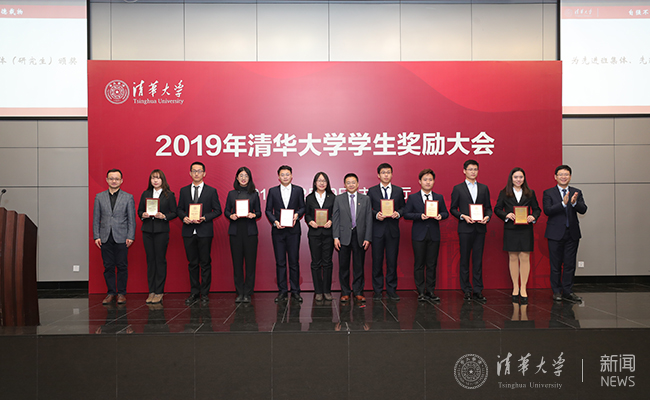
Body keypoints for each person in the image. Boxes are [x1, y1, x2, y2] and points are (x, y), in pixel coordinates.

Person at [176, 161, 222, 305]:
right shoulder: (184, 190)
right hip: (189, 231)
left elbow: (218, 210)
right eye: (194, 171)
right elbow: (179, 209)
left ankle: (205, 293)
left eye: (199, 171)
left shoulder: (211, 191)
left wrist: (205, 218)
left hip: (204, 231)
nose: (196, 173)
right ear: (190, 173)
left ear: (204, 173)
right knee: (192, 263)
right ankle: (194, 293)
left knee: (205, 263)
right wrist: (184, 217)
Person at [494, 167, 541, 305]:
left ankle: (524, 288)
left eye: (521, 177)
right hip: (511, 229)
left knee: (525, 257)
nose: (518, 179)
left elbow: (537, 209)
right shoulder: (504, 193)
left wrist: (533, 216)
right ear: (511, 178)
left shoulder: (530, 193)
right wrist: (506, 215)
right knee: (513, 257)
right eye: (515, 177)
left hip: (526, 229)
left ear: (524, 178)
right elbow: (497, 209)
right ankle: (515, 287)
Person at [543, 165, 587, 303]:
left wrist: (574, 203)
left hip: (572, 234)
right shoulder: (548, 193)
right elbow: (547, 210)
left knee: (570, 264)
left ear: (570, 177)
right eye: (561, 174)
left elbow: (583, 209)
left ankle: (568, 291)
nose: (563, 177)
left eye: (566, 174)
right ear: (555, 177)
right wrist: (562, 204)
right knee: (555, 264)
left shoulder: (576, 192)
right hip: (555, 234)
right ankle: (556, 291)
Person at [450, 159, 492, 303]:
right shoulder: (458, 188)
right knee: (464, 260)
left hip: (480, 229)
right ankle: (466, 290)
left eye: (475, 169)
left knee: (478, 260)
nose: (473, 172)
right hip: (465, 229)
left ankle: (478, 290)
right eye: (470, 169)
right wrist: (463, 216)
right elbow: (453, 209)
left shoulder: (484, 188)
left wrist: (487, 217)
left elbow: (488, 208)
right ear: (464, 171)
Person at [404, 169, 449, 302]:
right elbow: (406, 214)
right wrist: (420, 216)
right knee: (419, 264)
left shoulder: (439, 197)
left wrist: (440, 216)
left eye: (430, 180)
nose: (428, 182)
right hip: (419, 235)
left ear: (434, 181)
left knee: (432, 264)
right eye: (425, 180)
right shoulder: (413, 197)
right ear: (420, 181)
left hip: (434, 235)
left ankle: (430, 291)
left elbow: (445, 213)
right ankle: (420, 292)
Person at [93, 169, 136, 305]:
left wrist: (131, 236)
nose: (114, 181)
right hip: (105, 237)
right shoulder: (99, 197)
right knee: (108, 266)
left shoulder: (128, 197)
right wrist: (96, 236)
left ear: (121, 181)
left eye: (117, 179)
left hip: (122, 237)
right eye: (111, 178)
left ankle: (121, 293)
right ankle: (111, 293)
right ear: (106, 180)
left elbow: (131, 219)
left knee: (122, 266)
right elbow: (96, 218)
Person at [265, 165, 306, 303]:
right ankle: (282, 291)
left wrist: (297, 215)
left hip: (293, 231)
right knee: (280, 262)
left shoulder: (298, 190)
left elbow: (303, 207)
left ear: (291, 176)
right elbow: (268, 210)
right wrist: (275, 221)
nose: (285, 177)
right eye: (282, 175)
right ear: (278, 177)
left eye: (287, 174)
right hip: (278, 231)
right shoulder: (273, 191)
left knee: (294, 262)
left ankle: (295, 291)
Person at [137, 169, 177, 304]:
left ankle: (159, 291)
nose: (155, 180)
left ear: (162, 180)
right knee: (150, 261)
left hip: (161, 231)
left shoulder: (169, 195)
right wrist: (142, 215)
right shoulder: (145, 193)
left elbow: (174, 212)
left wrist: (164, 216)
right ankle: (151, 291)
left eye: (158, 178)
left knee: (160, 260)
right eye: (153, 178)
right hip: (147, 231)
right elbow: (140, 210)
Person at [367, 163, 405, 301]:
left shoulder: (398, 191)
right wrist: (376, 215)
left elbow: (404, 208)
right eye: (383, 172)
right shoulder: (372, 191)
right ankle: (377, 290)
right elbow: (368, 210)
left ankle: (391, 290)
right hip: (377, 230)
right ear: (378, 175)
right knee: (377, 261)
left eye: (388, 172)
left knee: (392, 261)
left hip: (393, 231)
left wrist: (398, 213)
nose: (386, 175)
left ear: (392, 174)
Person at [333, 173, 373, 303]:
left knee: (358, 266)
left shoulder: (365, 199)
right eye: (348, 182)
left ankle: (358, 292)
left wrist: (367, 238)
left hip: (359, 236)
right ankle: (345, 292)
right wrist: (335, 237)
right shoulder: (338, 199)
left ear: (358, 184)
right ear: (344, 185)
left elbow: (369, 219)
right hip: (343, 236)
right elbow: (335, 219)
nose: (351, 184)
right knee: (343, 266)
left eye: (353, 182)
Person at [224, 167, 261, 303]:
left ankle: (248, 292)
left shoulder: (254, 194)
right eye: (241, 175)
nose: (243, 178)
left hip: (250, 232)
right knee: (237, 263)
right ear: (237, 178)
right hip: (236, 232)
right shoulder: (231, 194)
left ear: (249, 178)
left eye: (246, 176)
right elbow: (226, 211)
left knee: (250, 264)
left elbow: (259, 212)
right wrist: (231, 215)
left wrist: (253, 215)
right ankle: (239, 292)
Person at [304, 172, 336, 301]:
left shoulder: (333, 197)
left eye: (324, 181)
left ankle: (327, 290)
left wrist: (331, 221)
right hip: (314, 234)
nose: (321, 183)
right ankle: (318, 291)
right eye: (319, 180)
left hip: (328, 234)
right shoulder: (309, 198)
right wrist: (310, 221)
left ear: (327, 183)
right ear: (315, 183)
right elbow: (307, 214)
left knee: (327, 262)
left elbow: (336, 214)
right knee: (316, 263)